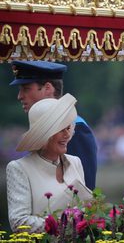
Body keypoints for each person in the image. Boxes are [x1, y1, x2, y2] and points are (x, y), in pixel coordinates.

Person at [6, 93, 92, 233]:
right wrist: (62, 225)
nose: (66, 134)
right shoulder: (19, 168)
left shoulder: (75, 162)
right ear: (44, 134)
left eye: (68, 127)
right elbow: (19, 222)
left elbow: (84, 210)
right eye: (60, 129)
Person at [9, 60, 97, 190]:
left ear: (48, 88)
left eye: (26, 89)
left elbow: (85, 189)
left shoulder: (77, 128)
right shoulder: (39, 127)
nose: (20, 96)